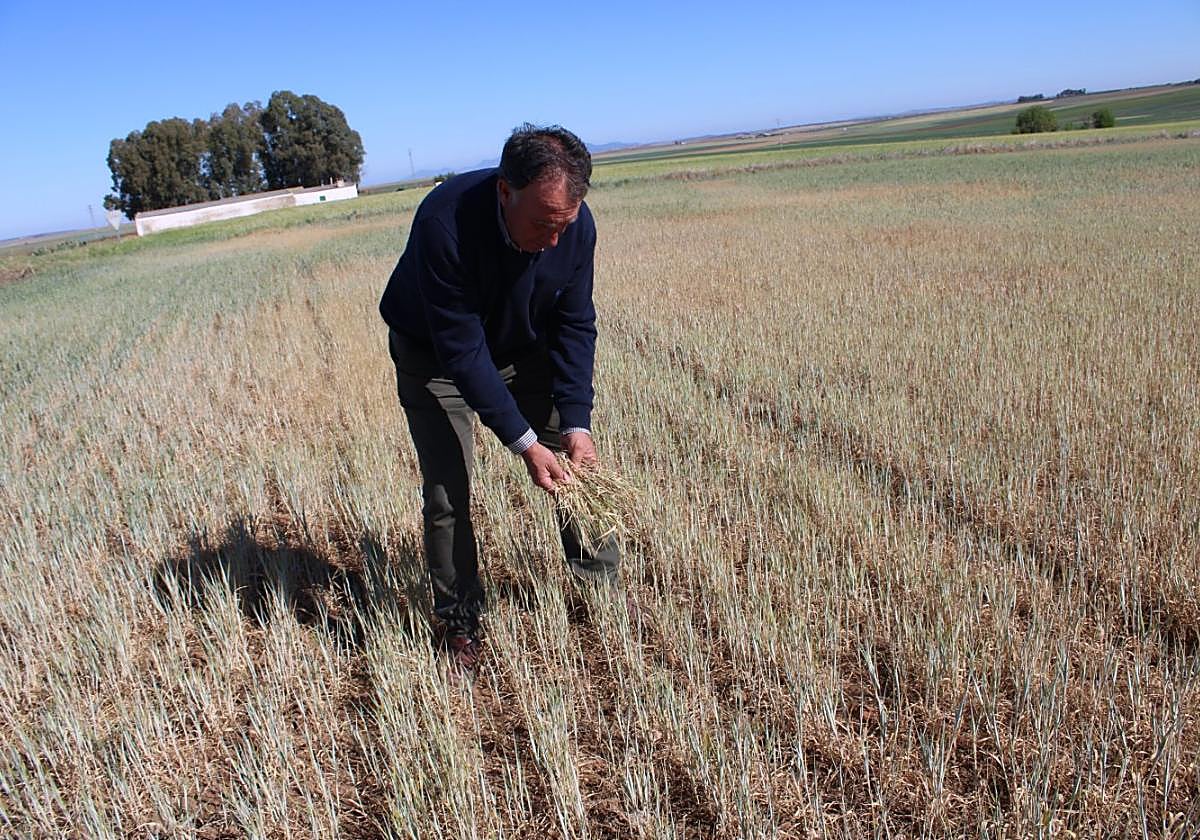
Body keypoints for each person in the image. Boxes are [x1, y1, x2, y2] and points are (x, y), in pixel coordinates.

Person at [379, 123, 620, 672]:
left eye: (565, 224)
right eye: (542, 223)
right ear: (504, 191)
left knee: (577, 463)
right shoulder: (445, 223)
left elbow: (576, 323)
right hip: (434, 356)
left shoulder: (574, 227)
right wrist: (525, 442)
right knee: (448, 491)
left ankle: (601, 591)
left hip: (520, 345)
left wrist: (575, 424)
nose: (554, 240)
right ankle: (460, 620)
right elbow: (462, 353)